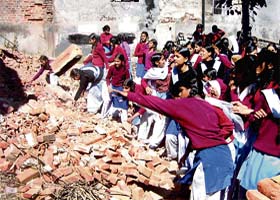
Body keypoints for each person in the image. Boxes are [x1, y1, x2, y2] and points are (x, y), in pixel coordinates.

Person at [115, 80, 234, 200]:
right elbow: (215, 131)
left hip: (210, 162)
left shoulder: (182, 105)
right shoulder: (208, 105)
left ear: (182, 92)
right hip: (224, 156)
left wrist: (130, 95)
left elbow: (157, 103)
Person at [105, 53, 130, 122]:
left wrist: (126, 89)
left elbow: (127, 80)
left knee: (123, 104)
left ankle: (124, 121)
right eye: (115, 61)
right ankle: (114, 117)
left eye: (118, 61)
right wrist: (108, 86)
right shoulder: (112, 68)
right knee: (115, 103)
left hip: (121, 88)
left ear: (122, 61)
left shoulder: (125, 69)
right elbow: (107, 78)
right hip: (113, 87)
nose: (116, 63)